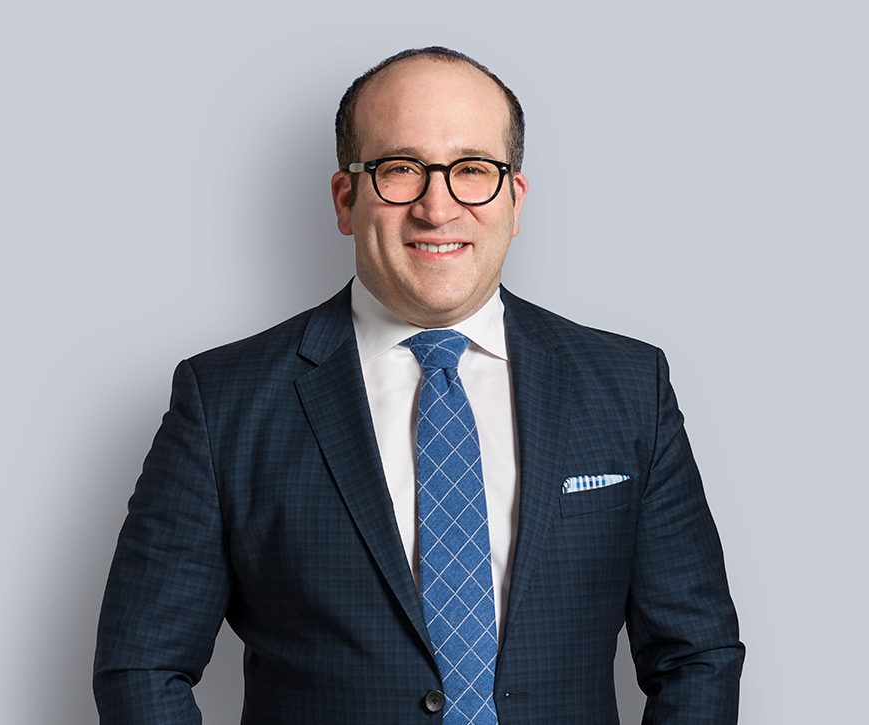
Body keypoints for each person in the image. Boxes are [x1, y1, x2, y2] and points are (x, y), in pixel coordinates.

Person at [94, 47, 744, 724]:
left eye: (473, 170)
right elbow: (142, 665)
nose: (438, 208)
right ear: (346, 199)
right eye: (400, 169)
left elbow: (697, 655)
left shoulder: (629, 387)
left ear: (515, 200)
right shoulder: (222, 402)